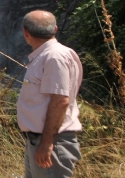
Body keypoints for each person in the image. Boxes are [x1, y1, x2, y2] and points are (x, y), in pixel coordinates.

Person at [17, 10, 83, 177]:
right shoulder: (44, 56)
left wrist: (46, 144)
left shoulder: (54, 57)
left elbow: (60, 101)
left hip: (52, 141)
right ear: (55, 29)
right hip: (39, 140)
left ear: (26, 33)